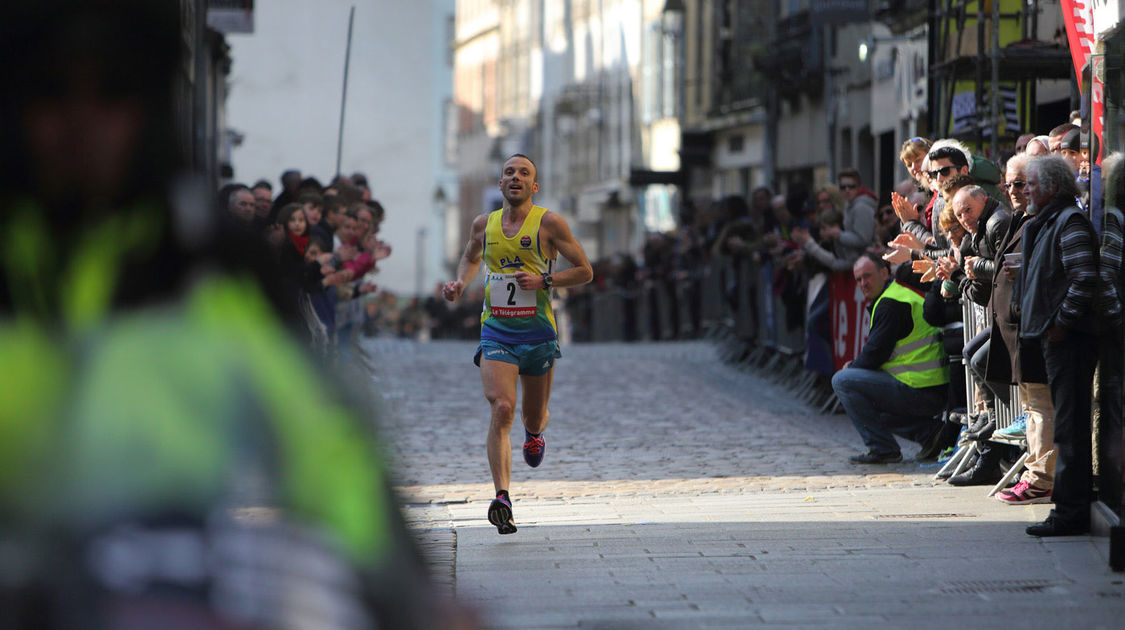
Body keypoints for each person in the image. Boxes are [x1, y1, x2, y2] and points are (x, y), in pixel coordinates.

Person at [442, 154, 593, 534]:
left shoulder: (549, 223)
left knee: (532, 415)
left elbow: (585, 271)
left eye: (524, 173)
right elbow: (470, 258)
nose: (516, 177)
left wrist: (545, 282)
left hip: (539, 333)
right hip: (497, 331)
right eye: (509, 172)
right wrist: (461, 283)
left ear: (533, 186)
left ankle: (536, 433)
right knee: (502, 408)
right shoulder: (484, 225)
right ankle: (502, 498)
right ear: (500, 183)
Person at [1016, 155, 1106, 536]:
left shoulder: (1068, 222)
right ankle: (1069, 509)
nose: (1027, 192)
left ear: (1052, 187)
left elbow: (1084, 278)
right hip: (1058, 339)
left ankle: (1070, 513)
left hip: (1070, 342)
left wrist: (1061, 324)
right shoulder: (1049, 221)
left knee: (1069, 428)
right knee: (1067, 427)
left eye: (1033, 184)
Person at [832, 254, 952, 464]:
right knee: (865, 403)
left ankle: (882, 448)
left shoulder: (891, 303)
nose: (863, 284)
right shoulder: (897, 295)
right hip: (930, 386)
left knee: (843, 380)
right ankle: (930, 434)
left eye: (867, 276)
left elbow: (874, 355)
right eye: (859, 280)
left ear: (884, 272)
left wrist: (851, 366)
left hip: (921, 388)